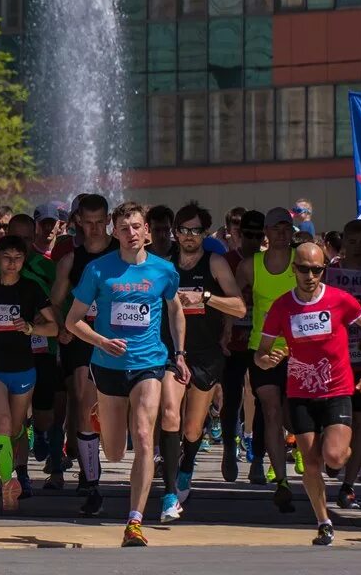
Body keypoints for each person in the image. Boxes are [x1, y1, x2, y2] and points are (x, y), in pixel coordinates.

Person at [64, 201, 186, 547]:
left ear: (147, 230)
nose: (131, 233)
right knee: (115, 451)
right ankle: (102, 413)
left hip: (149, 363)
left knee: (145, 436)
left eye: (136, 227)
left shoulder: (164, 271)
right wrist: (102, 340)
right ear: (114, 233)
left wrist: (178, 353)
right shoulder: (99, 270)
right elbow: (71, 322)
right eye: (123, 228)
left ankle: (134, 520)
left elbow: (176, 310)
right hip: (107, 366)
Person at [255, 242, 361, 546]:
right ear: (294, 269)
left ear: (324, 269)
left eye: (317, 269)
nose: (310, 275)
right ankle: (323, 521)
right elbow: (260, 354)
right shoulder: (282, 306)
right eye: (303, 269)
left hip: (337, 389)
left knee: (333, 457)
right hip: (300, 393)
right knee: (311, 464)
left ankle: (342, 452)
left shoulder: (339, 300)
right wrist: (267, 359)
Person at [160, 202, 245, 520]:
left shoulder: (215, 262)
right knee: (170, 416)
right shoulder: (164, 263)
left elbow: (239, 307)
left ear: (205, 232)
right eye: (183, 230)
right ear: (175, 233)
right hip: (171, 352)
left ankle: (186, 465)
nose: (189, 236)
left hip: (206, 355)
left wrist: (205, 297)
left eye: (196, 230)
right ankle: (169, 493)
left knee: (193, 429)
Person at [0, 234, 57, 510]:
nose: (12, 264)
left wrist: (31, 329)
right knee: (4, 423)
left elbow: (54, 327)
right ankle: (7, 483)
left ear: (24, 261)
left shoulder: (32, 289)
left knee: (18, 428)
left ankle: (20, 469)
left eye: (17, 259)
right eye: (7, 258)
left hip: (23, 368)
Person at [50, 193, 117, 516]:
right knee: (81, 396)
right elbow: (55, 299)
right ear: (78, 221)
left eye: (99, 222)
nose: (93, 229)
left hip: (119, 338)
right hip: (82, 334)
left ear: (108, 221)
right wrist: (61, 323)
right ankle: (91, 480)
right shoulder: (70, 260)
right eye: (87, 223)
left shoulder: (123, 253)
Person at [236, 206, 297, 510]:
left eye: (287, 228)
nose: (283, 234)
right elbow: (234, 300)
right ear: (267, 233)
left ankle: (295, 444)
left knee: (291, 414)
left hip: (300, 349)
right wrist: (224, 332)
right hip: (263, 348)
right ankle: (282, 481)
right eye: (277, 228)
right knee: (271, 410)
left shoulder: (303, 262)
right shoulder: (250, 266)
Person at [322, 219, 361, 509]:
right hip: (334, 360)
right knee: (331, 421)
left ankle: (348, 485)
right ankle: (332, 457)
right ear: (343, 242)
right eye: (351, 242)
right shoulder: (329, 272)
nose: (357, 248)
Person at [221, 208, 263, 482]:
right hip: (233, 339)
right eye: (248, 235)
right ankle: (228, 449)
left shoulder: (267, 261)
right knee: (232, 397)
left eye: (259, 236)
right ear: (237, 234)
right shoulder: (227, 261)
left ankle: (258, 458)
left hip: (260, 339)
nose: (253, 241)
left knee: (261, 397)